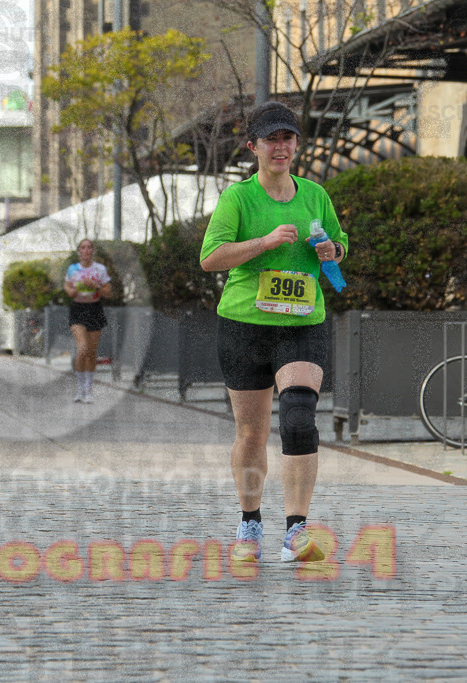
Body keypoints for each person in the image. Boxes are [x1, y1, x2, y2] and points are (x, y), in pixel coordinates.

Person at [199, 101, 348, 564]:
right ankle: (250, 521)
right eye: (271, 140)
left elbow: (339, 244)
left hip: (302, 323)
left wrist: (332, 250)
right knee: (251, 433)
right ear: (254, 147)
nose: (280, 147)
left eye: (287, 138)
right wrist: (263, 243)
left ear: (296, 144)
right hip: (244, 325)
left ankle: (296, 530)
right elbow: (210, 258)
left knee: (300, 418)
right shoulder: (238, 198)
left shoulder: (315, 195)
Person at [63, 239, 112, 403]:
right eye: (83, 247)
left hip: (94, 309)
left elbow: (108, 292)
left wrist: (95, 285)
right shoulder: (73, 269)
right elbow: (67, 287)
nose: (86, 250)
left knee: (91, 352)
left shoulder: (100, 269)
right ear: (79, 251)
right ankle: (79, 389)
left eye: (89, 247)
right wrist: (73, 290)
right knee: (82, 348)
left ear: (93, 251)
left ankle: (88, 390)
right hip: (78, 309)